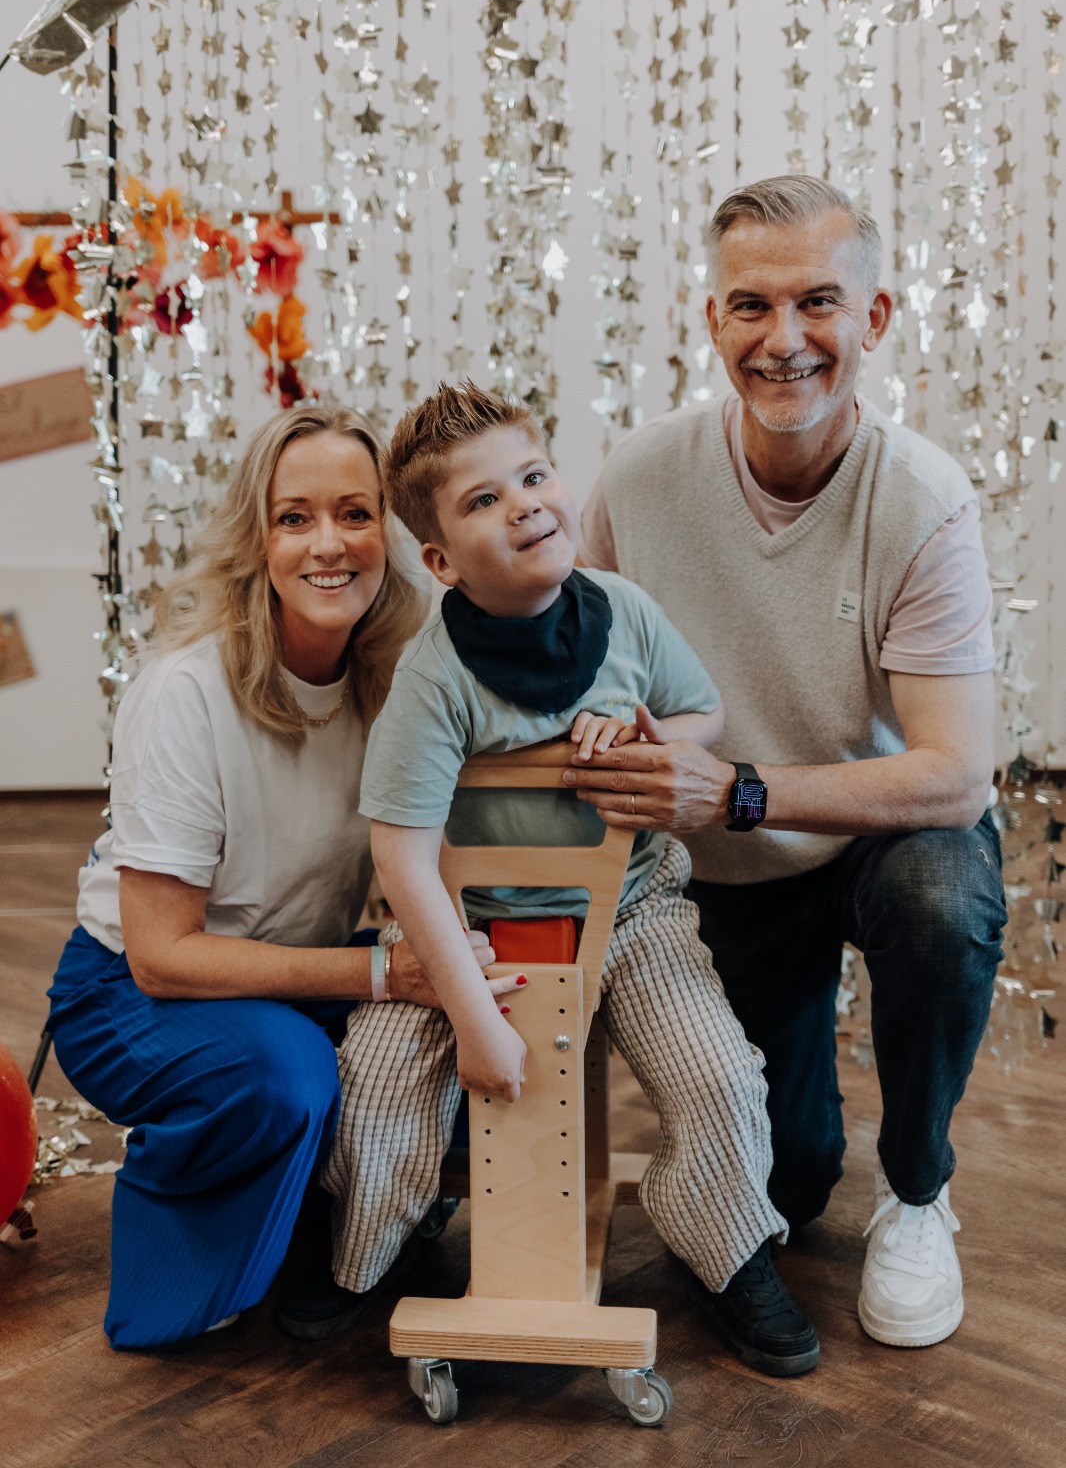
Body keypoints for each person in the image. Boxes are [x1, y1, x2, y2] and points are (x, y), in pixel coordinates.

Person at [573, 174, 1007, 1350]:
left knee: (942, 897)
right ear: (712, 321)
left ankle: (917, 1189)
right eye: (750, 306)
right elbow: (579, 671)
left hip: (871, 835)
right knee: (791, 1185)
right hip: (728, 875)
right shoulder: (637, 479)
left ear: (872, 318)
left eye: (817, 301)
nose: (783, 339)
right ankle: (814, 1151)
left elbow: (956, 774)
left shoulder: (920, 499)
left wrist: (741, 790)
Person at [323, 379, 822, 1379]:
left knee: (721, 1076)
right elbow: (401, 858)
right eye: (483, 500)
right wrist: (472, 1016)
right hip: (468, 925)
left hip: (631, 909)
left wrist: (649, 733)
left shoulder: (625, 612)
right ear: (438, 559)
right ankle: (378, 1243)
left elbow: (703, 717)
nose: (524, 505)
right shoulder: (433, 677)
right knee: (374, 1081)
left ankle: (725, 1248)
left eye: (533, 475)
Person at [46, 404, 520, 1350]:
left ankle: (355, 1212)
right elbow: (162, 956)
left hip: (298, 970)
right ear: (255, 540)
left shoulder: (395, 678)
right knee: (284, 1074)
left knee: (493, 1000)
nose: (328, 544)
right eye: (294, 517)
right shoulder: (185, 692)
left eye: (355, 513)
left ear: (390, 535)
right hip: (134, 989)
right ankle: (195, 1279)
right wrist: (385, 973)